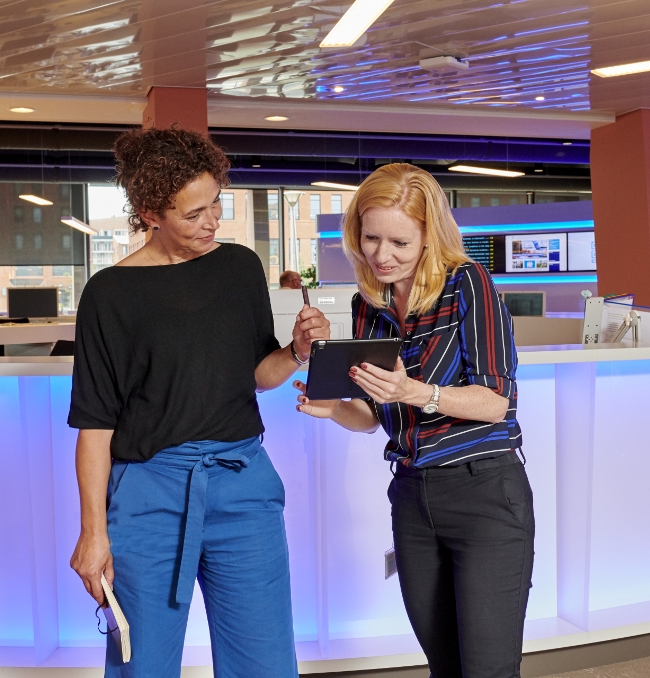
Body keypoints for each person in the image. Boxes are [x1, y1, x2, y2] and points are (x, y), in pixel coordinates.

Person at [67, 126, 329, 678]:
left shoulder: (238, 268)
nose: (212, 222)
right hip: (149, 496)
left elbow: (257, 375)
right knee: (145, 665)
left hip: (244, 485)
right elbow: (95, 426)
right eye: (193, 214)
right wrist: (94, 533)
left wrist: (297, 351)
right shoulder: (108, 294)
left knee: (265, 663)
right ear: (150, 213)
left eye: (216, 204)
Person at [294, 163, 534, 678]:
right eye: (372, 238)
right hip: (411, 497)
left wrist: (416, 391)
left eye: (400, 242)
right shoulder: (367, 305)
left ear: (429, 237)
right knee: (443, 667)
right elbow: (374, 418)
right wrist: (335, 407)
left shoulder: (467, 284)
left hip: (485, 494)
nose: (383, 255)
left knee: (488, 670)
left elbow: (497, 402)